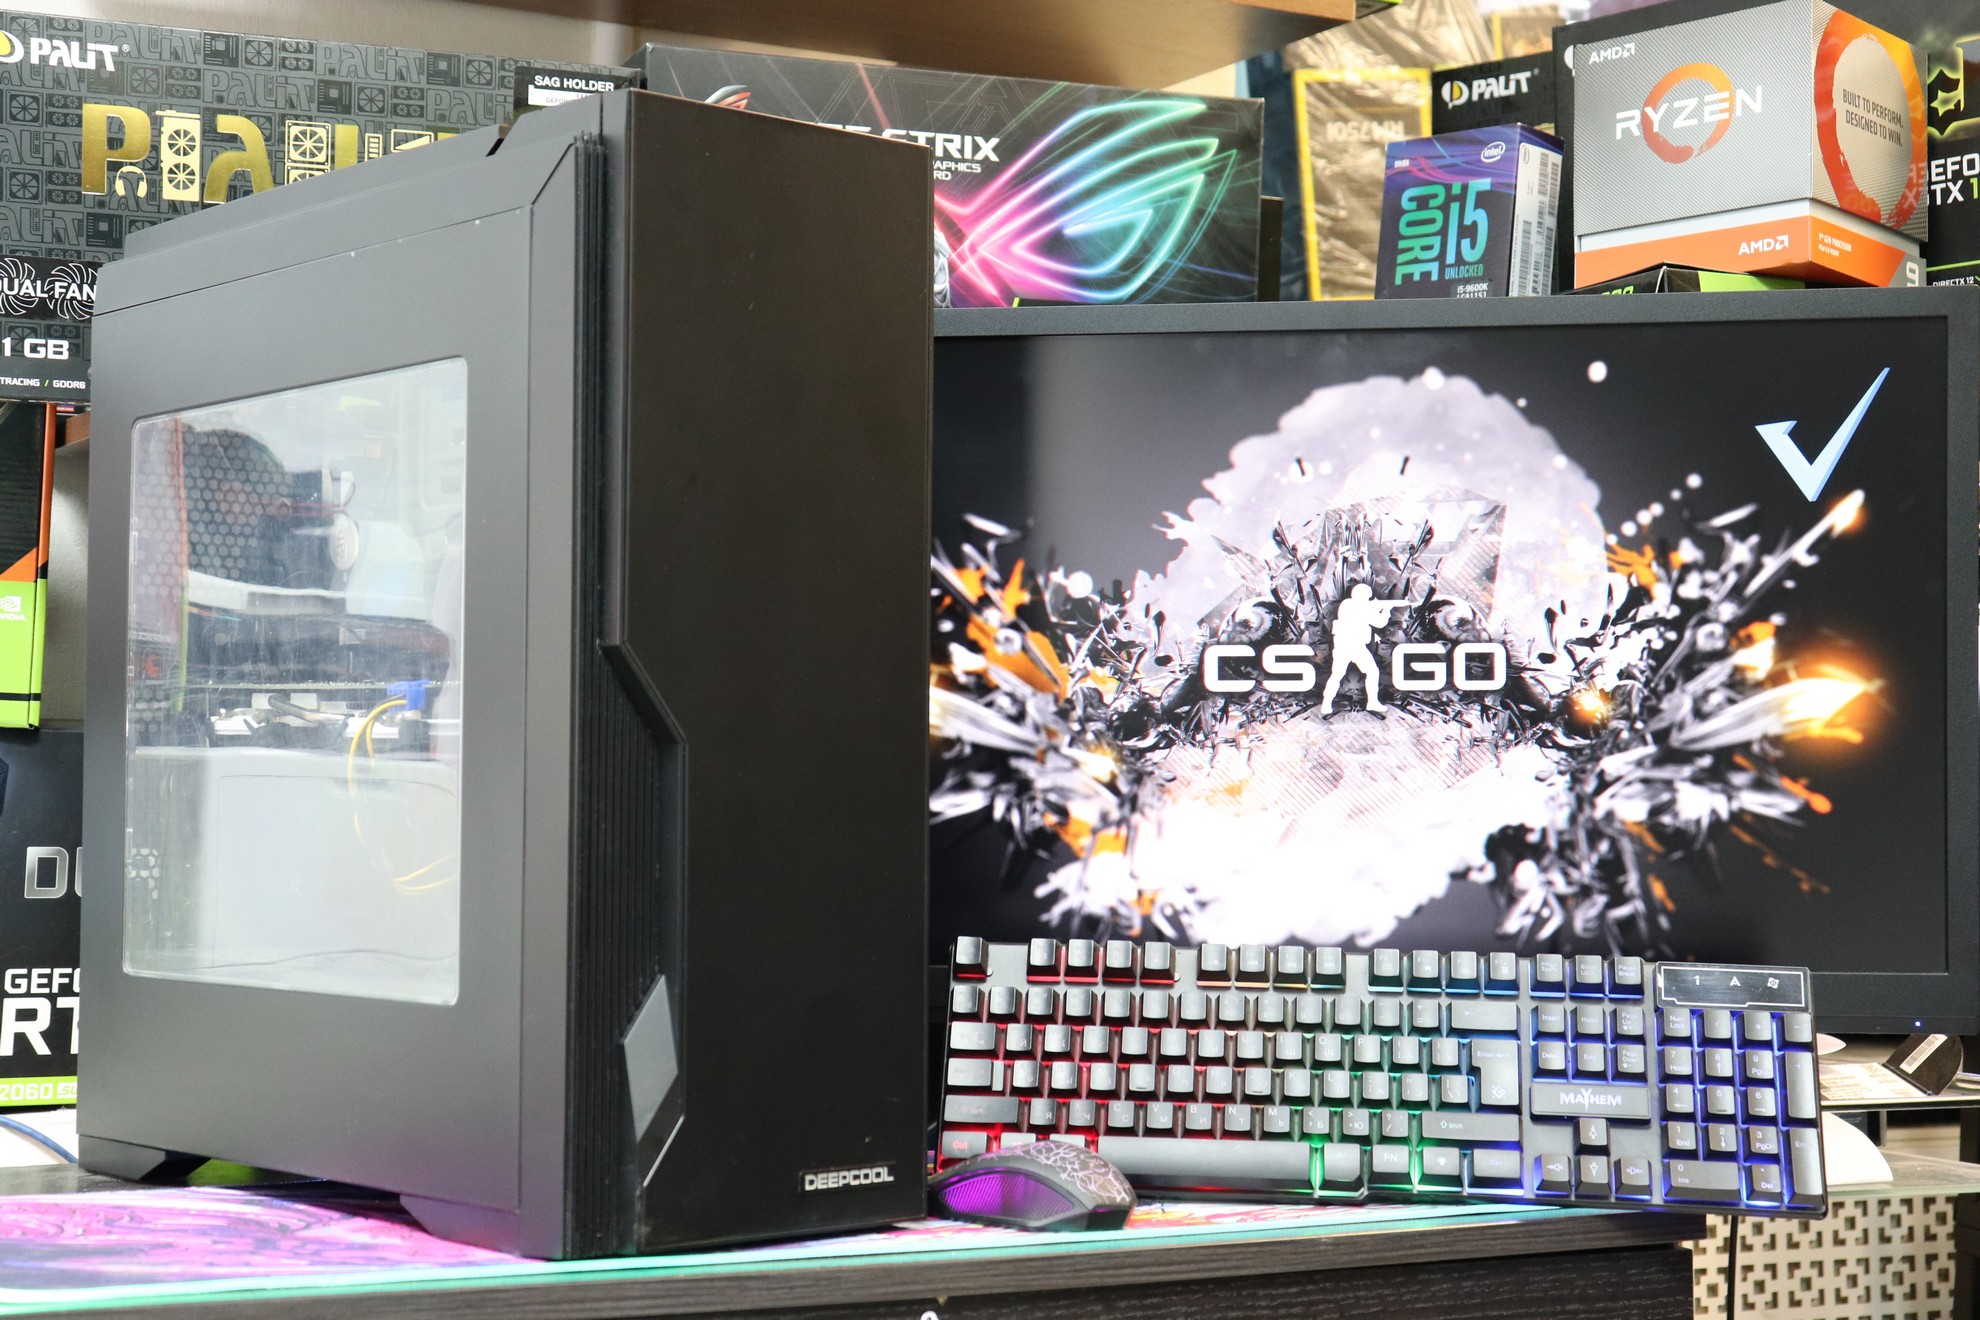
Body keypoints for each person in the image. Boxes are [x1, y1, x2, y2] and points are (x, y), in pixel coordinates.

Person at [1320, 583, 1407, 715]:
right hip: (1350, 645)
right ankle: (1328, 703)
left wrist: (1380, 607)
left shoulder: (1349, 604)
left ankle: (1370, 701)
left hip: (1351, 646)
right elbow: (1379, 623)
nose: (1368, 599)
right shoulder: (1353, 605)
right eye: (1367, 597)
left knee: (1365, 672)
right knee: (1343, 674)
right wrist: (1385, 610)